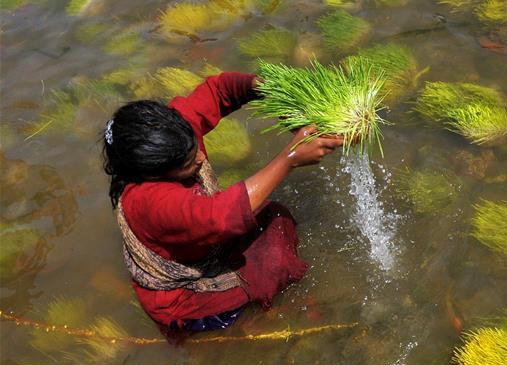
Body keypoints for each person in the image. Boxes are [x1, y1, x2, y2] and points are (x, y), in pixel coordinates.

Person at [101, 72, 343, 334]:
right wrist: (290, 158)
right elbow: (218, 217)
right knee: (273, 262)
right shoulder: (149, 200)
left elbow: (219, 90)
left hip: (202, 241)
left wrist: (270, 91)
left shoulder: (174, 133)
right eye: (187, 165)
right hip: (187, 296)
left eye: (195, 150)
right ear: (153, 172)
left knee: (275, 218)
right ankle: (250, 323)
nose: (199, 161)